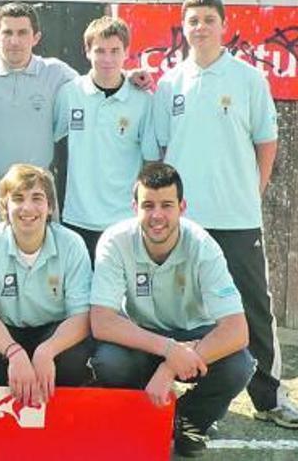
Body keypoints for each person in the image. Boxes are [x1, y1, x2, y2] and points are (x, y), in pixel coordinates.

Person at [152, 0, 295, 428]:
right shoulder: (169, 82)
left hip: (236, 217)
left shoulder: (248, 79)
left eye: (208, 20)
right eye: (192, 21)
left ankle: (269, 399)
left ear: (223, 25)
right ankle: (199, 396)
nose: (200, 28)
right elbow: (160, 149)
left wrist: (253, 191)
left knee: (252, 307)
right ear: (183, 28)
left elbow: (266, 142)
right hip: (184, 221)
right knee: (181, 309)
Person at [90, 162, 254, 456]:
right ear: (134, 207)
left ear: (182, 207)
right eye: (148, 205)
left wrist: (171, 365)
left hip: (195, 334)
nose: (157, 216)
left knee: (238, 365)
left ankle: (190, 419)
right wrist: (169, 349)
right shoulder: (115, 242)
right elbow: (102, 321)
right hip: (144, 336)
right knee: (108, 361)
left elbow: (237, 330)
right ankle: (143, 414)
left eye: (167, 205)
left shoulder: (204, 246)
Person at [0, 2, 78, 272]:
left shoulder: (56, 73)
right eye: (7, 32)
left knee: (47, 263)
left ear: (36, 37)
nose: (14, 41)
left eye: (23, 33)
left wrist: (133, 78)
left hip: (38, 188)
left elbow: (98, 82)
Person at [0, 164, 92, 406]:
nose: (27, 208)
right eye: (18, 198)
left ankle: (60, 415)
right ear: (5, 206)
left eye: (37, 198)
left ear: (50, 207)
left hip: (54, 331)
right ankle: (5, 416)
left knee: (73, 360)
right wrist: (14, 353)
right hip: (9, 330)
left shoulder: (72, 244)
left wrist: (46, 351)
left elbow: (83, 316)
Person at [53, 16, 159, 262]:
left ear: (127, 52)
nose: (107, 59)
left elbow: (151, 161)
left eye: (115, 51)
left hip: (125, 219)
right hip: (77, 217)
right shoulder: (70, 93)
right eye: (100, 50)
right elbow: (50, 137)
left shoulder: (143, 100)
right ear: (87, 51)